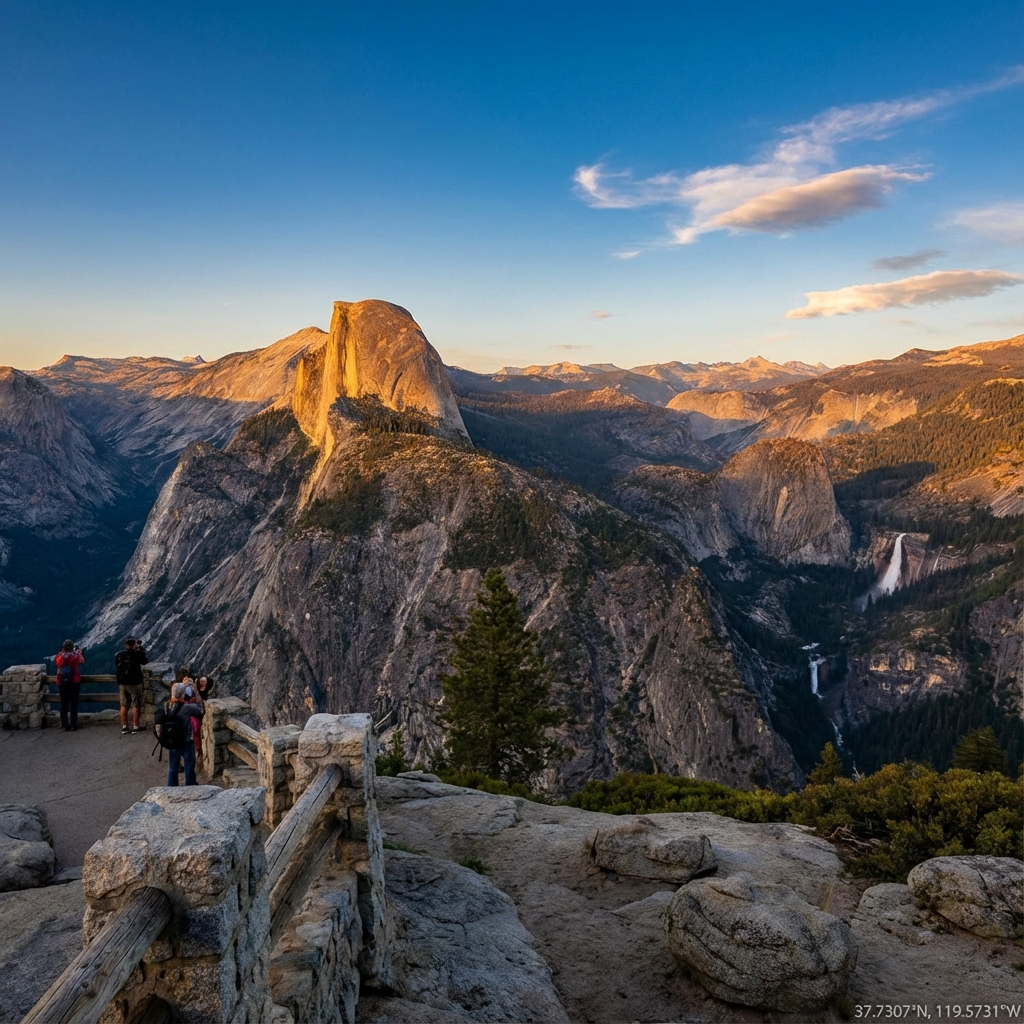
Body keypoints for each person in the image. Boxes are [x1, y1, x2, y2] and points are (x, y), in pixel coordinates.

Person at [164, 681, 204, 786]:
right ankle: (190, 785)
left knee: (173, 766)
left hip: (173, 739)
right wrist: (196, 692)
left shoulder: (168, 705)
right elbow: (201, 709)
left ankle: (171, 787)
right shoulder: (187, 707)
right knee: (189, 763)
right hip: (186, 739)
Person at [114, 636, 149, 735]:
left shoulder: (120, 655)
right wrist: (140, 649)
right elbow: (145, 661)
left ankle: (124, 727)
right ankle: (135, 726)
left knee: (123, 705)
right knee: (136, 704)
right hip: (134, 683)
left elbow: (116, 664)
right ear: (134, 645)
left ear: (126, 645)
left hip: (122, 683)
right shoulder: (137, 654)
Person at [54, 639, 84, 732]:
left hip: (62, 683)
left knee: (64, 704)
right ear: (72, 647)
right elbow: (82, 661)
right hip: (74, 682)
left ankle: (65, 725)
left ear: (63, 648)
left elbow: (57, 663)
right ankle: (74, 725)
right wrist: (78, 652)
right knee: (73, 704)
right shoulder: (75, 656)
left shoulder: (59, 657)